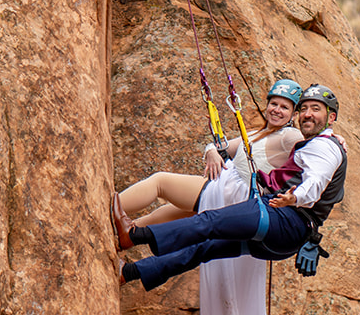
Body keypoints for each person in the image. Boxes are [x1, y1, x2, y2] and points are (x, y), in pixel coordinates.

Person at [121, 84, 346, 292]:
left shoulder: (320, 144)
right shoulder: (315, 142)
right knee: (204, 248)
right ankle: (128, 273)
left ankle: (133, 235)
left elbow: (315, 183)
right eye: (304, 109)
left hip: (280, 216)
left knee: (208, 222)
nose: (307, 114)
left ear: (331, 117)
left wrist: (294, 197)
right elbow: (225, 147)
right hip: (286, 235)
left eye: (315, 109)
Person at [110, 78, 303, 247]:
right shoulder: (258, 133)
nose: (277, 110)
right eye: (274, 104)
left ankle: (108, 209)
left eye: (284, 107)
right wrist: (211, 151)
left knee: (160, 182)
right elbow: (222, 146)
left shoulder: (289, 135)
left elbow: (312, 146)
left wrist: (332, 138)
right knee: (174, 211)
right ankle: (125, 238)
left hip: (234, 192)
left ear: (294, 115)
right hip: (233, 195)